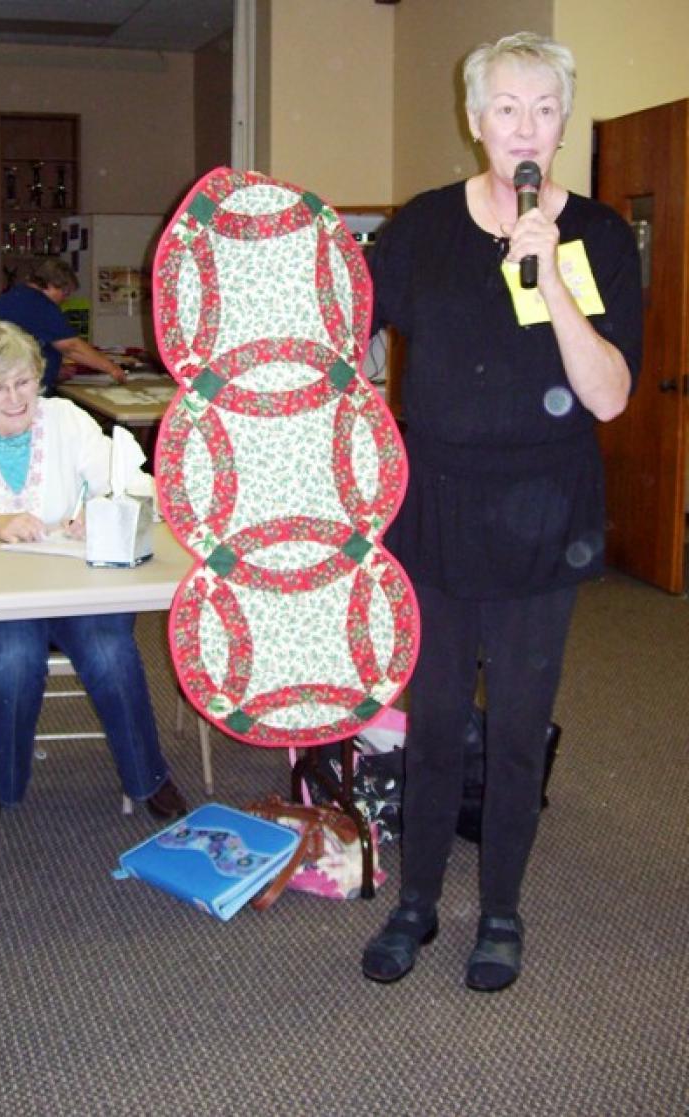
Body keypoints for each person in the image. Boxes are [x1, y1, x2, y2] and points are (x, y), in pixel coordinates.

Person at [361, 32, 642, 992]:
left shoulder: (599, 235)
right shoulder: (423, 226)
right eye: (507, 109)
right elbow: (347, 331)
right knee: (434, 724)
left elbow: (607, 395)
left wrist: (552, 276)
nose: (526, 127)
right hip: (434, 512)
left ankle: (502, 911)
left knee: (518, 730)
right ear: (474, 120)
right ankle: (416, 903)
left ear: (563, 121)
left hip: (543, 518)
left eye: (545, 109)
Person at [0, 318, 187, 826]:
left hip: (75, 590)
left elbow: (138, 486)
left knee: (110, 649)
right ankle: (5, 783)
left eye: (24, 382)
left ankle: (149, 776)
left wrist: (100, 508)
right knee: (14, 656)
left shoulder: (66, 420)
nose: (15, 399)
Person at [0, 258, 127, 393]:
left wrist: (52, 370)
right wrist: (112, 369)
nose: (65, 300)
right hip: (15, 386)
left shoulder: (15, 296)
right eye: (65, 293)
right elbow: (71, 347)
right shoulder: (40, 304)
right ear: (51, 285)